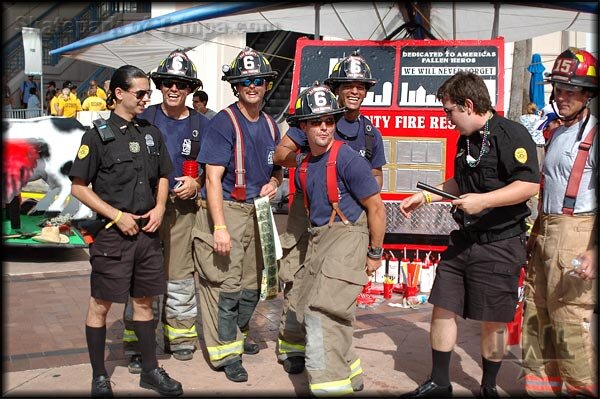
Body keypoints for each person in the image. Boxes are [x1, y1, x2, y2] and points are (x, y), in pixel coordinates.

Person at [399, 71, 540, 398]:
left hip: (500, 242)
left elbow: (529, 185)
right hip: (464, 239)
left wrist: (485, 201)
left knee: (493, 319)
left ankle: (489, 386)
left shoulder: (511, 134)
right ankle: (440, 382)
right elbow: (461, 183)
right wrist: (428, 196)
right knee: (442, 305)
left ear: (469, 104)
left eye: (449, 111)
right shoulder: (466, 139)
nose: (447, 119)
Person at [69, 65, 183, 397]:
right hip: (112, 235)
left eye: (149, 93)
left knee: (144, 301)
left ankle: (150, 371)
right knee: (101, 304)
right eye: (141, 93)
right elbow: (79, 187)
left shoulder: (151, 133)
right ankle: (99, 376)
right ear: (119, 93)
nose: (148, 98)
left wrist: (160, 207)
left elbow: (163, 174)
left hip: (147, 235)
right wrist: (117, 215)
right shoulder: (96, 135)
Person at [273, 50, 386, 375]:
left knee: (334, 291)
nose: (354, 90)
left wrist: (348, 177)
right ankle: (292, 344)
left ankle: (338, 358)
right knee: (297, 274)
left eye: (360, 86)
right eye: (347, 84)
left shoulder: (368, 133)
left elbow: (375, 179)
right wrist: (315, 166)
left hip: (343, 220)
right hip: (304, 209)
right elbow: (282, 154)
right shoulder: (313, 114)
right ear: (337, 88)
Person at [192, 47, 282, 382]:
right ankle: (225, 353)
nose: (252, 86)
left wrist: (274, 182)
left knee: (251, 286)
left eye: (258, 79)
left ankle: (238, 337)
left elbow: (278, 170)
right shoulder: (223, 122)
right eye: (245, 81)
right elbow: (212, 179)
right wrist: (219, 228)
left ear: (267, 84)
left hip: (257, 214)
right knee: (225, 286)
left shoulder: (272, 125)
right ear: (236, 86)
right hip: (227, 210)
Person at [121, 49, 207, 371]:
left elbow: (212, 169)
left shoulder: (202, 124)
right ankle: (136, 343)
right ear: (159, 85)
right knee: (141, 276)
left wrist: (196, 182)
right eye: (168, 82)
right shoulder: (144, 119)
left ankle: (181, 339)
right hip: (144, 210)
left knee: (180, 276)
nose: (174, 89)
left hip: (182, 211)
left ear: (190, 89)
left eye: (182, 84)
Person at [522, 47, 598, 397]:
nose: (562, 96)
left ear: (587, 94)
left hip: (577, 234)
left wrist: (594, 251)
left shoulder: (594, 137)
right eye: (559, 89)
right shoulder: (558, 133)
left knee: (569, 325)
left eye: (572, 90)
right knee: (536, 321)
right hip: (546, 232)